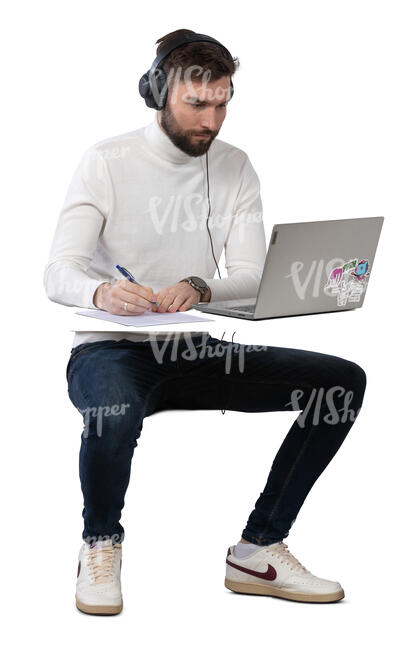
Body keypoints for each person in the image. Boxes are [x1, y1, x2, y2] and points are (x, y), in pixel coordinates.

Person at [44, 29, 367, 614]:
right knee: (112, 412)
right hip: (108, 349)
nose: (211, 121)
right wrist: (101, 289)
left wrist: (199, 286)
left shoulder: (236, 166)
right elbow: (57, 272)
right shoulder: (106, 160)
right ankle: (100, 544)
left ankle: (259, 549)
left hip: (193, 348)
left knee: (340, 384)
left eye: (222, 103)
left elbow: (250, 272)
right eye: (198, 104)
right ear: (159, 92)